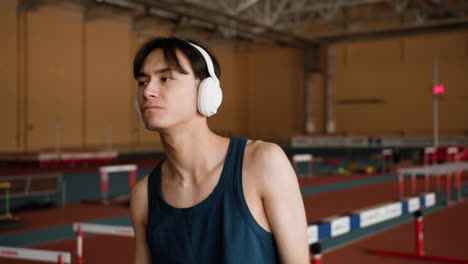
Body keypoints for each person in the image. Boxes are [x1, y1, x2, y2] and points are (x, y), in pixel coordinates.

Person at [130, 37, 309, 264]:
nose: (148, 92)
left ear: (207, 92)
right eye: (143, 82)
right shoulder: (143, 196)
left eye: (166, 78)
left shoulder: (261, 163)